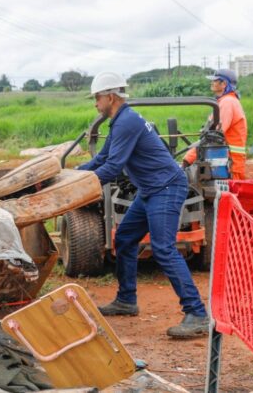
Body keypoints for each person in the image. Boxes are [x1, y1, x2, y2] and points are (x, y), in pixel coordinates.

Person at [78, 72, 209, 339]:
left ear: (110, 97)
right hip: (151, 189)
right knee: (125, 238)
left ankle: (197, 314)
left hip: (166, 188)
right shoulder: (119, 121)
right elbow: (103, 158)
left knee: (163, 248)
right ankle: (127, 300)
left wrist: (80, 186)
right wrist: (75, 173)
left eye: (97, 98)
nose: (95, 103)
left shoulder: (126, 122)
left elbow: (113, 167)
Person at [183, 68, 248, 179]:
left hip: (227, 164)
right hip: (226, 162)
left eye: (215, 80)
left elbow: (213, 137)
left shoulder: (227, 103)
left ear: (224, 84)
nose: (211, 82)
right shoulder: (228, 101)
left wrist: (188, 158)